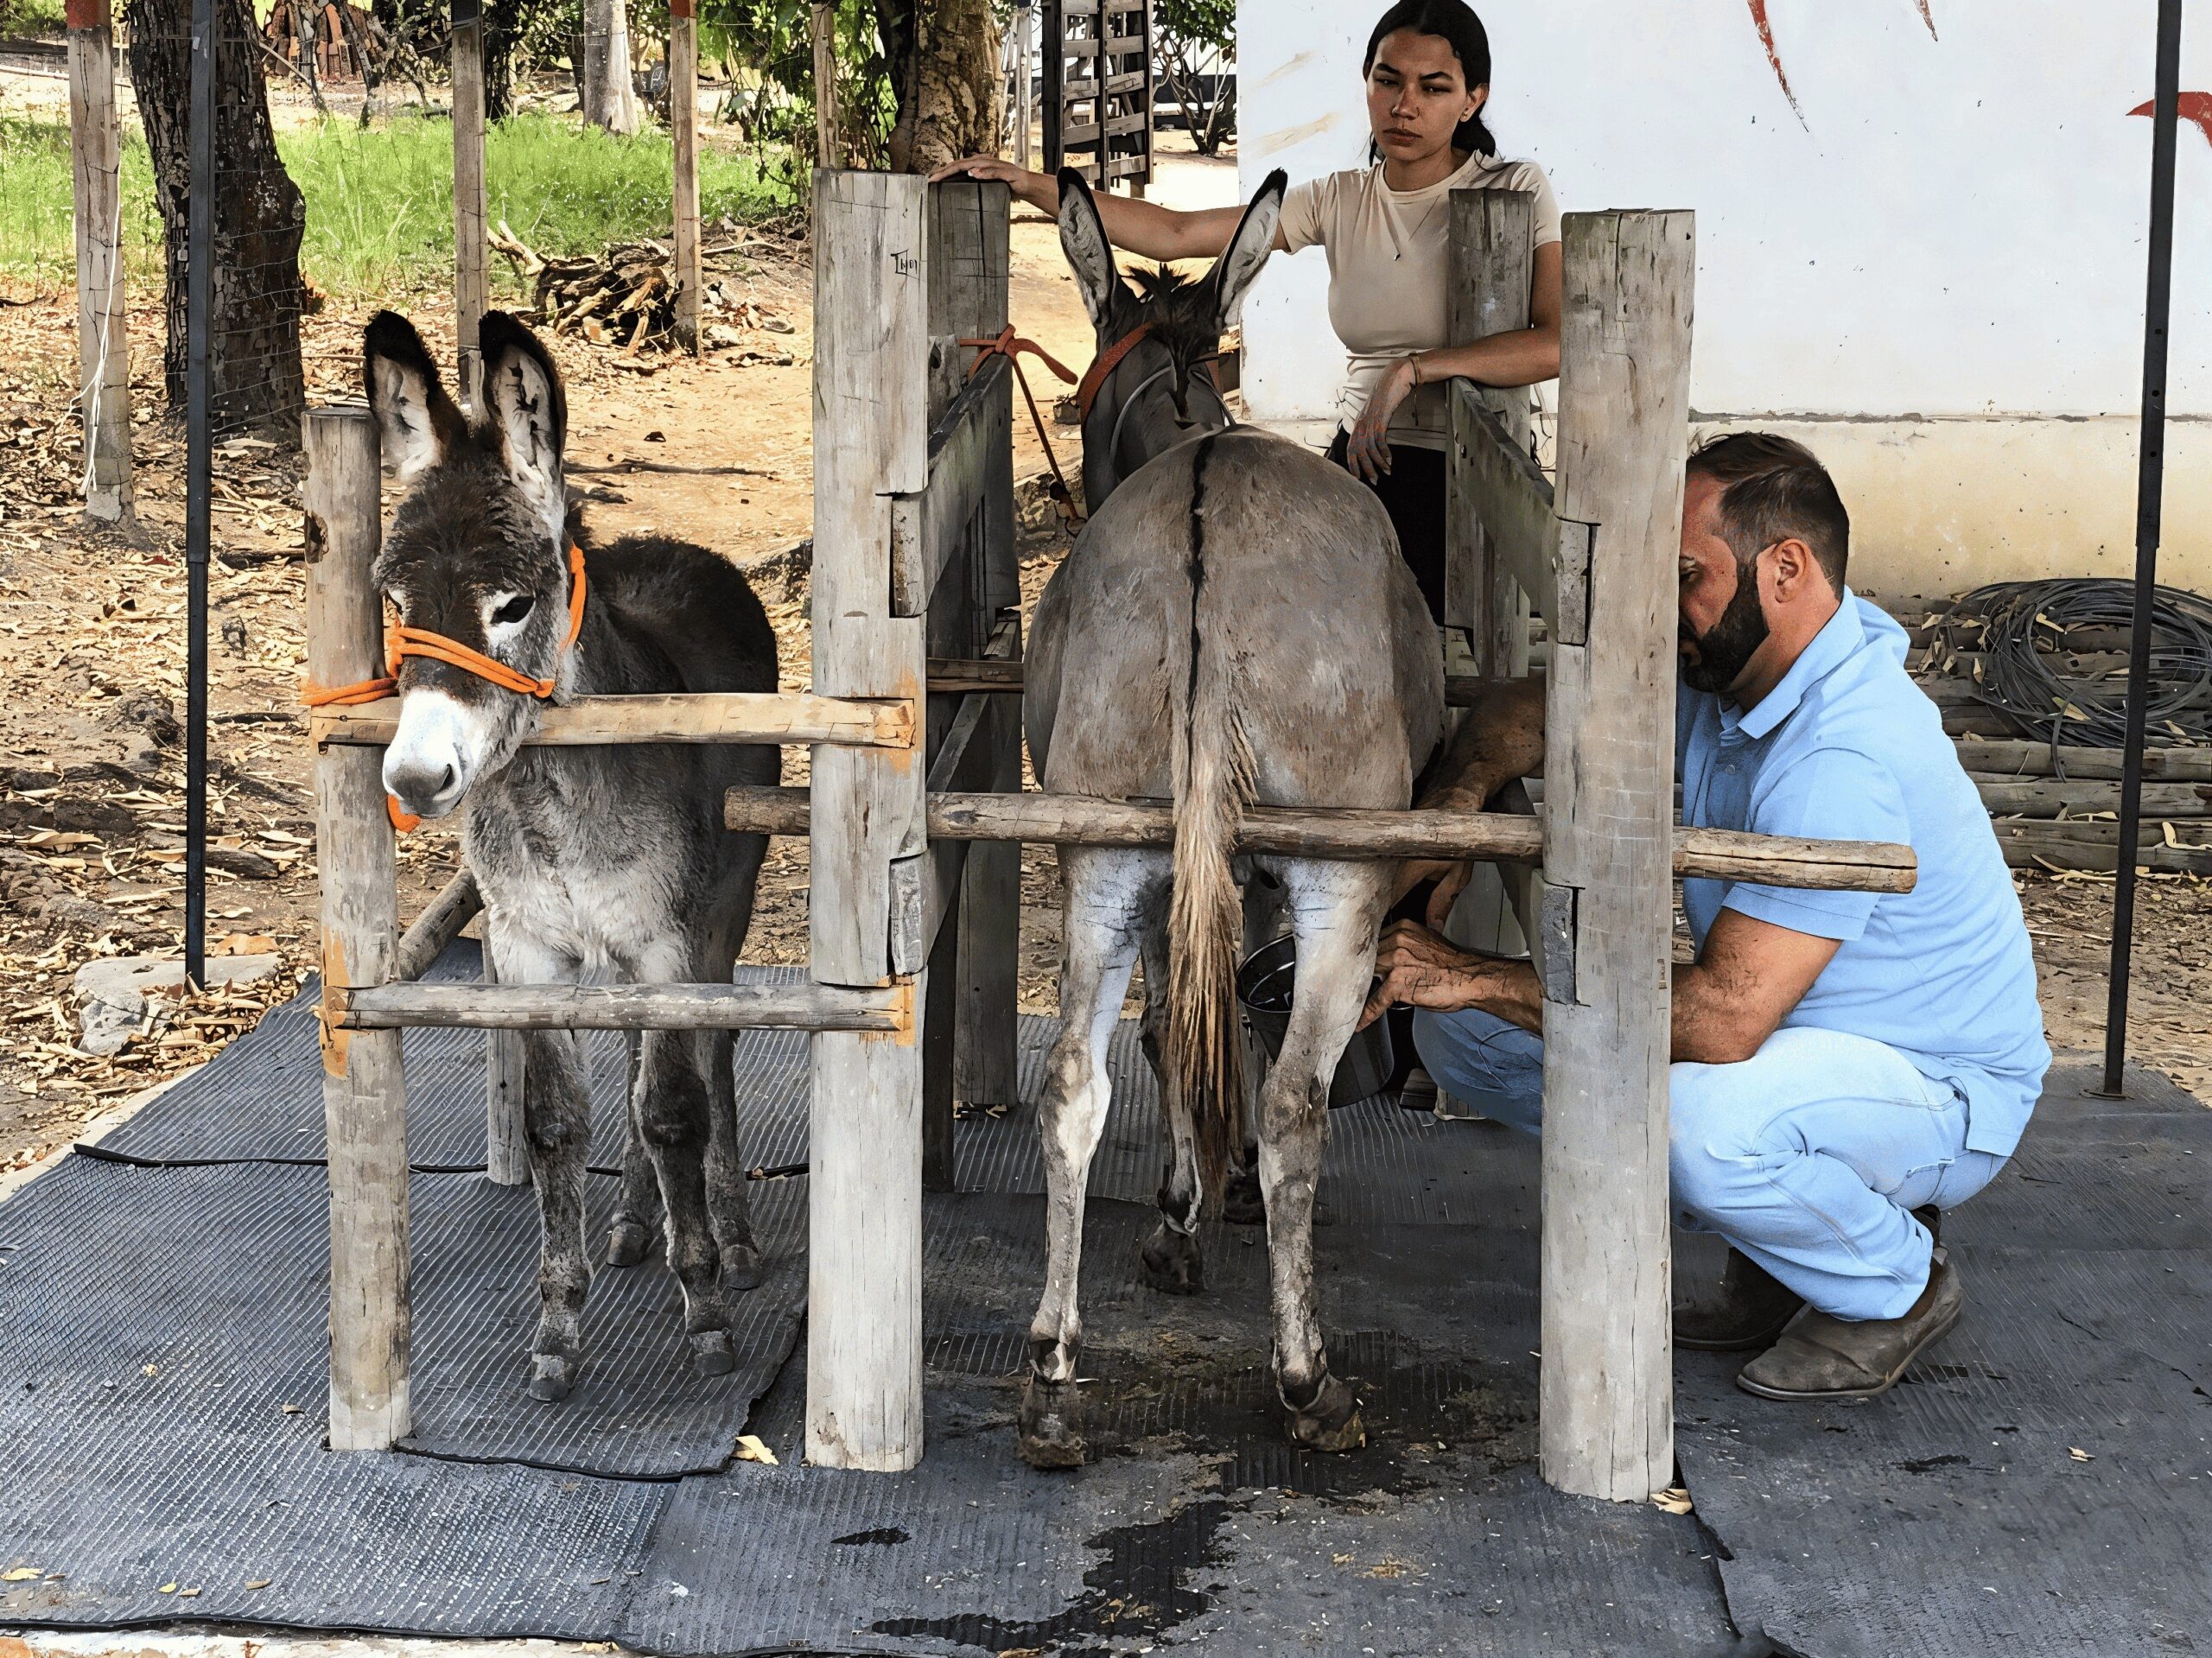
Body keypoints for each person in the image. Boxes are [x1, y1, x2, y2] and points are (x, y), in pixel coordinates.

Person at [1368, 434, 2051, 1401]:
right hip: (1795, 1040)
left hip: (1931, 1082)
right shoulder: (1736, 673)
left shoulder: (1837, 754)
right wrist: (1462, 799)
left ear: (1785, 568)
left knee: (1693, 1123)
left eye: (1684, 575)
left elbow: (1724, 1019)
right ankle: (1787, 1246)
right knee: (1464, 1039)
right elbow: (1534, 710)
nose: (1661, 604)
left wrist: (1472, 969)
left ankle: (1895, 1280)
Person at [933, 0, 1561, 626]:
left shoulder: (1515, 189)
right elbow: (1176, 233)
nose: (1404, 106)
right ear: (1367, 81)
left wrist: (1414, 370)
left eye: (1434, 87)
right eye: (1387, 80)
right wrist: (1029, 182)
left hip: (1472, 469)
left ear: (1473, 99)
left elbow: (1556, 342)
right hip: (1360, 467)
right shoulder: (1341, 199)